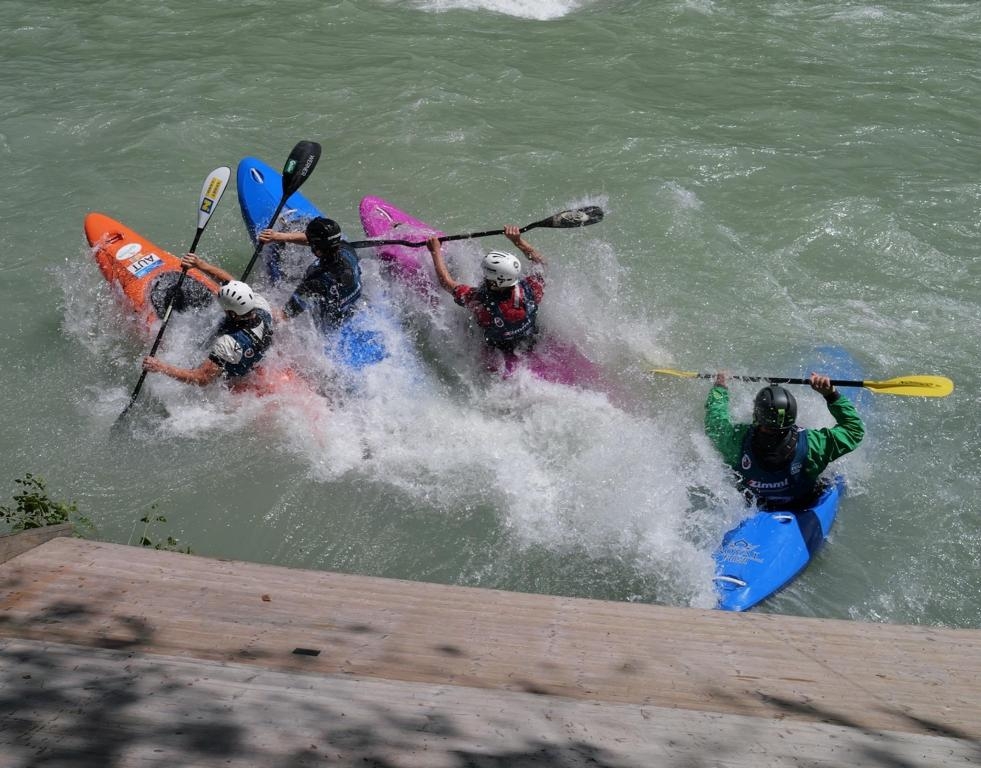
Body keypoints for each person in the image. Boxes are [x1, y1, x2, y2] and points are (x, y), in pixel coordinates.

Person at [704, 372, 865, 507]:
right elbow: (854, 430)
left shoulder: (736, 440)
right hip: (801, 503)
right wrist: (831, 395)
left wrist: (720, 388)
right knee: (827, 474)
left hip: (754, 504)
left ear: (756, 415)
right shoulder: (813, 443)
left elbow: (715, 421)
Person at [142, 253, 274, 387]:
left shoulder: (227, 343)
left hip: (231, 373)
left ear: (233, 314)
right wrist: (200, 264)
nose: (216, 294)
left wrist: (160, 367)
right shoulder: (261, 306)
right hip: (252, 353)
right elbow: (231, 283)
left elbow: (202, 379)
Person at [426, 226, 546, 353]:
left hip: (497, 348)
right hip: (530, 337)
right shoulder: (531, 288)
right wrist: (518, 241)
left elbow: (446, 283)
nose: (484, 276)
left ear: (495, 281)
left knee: (460, 320)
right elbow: (541, 264)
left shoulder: (480, 302)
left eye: (486, 275)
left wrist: (435, 251)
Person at [258, 217, 363, 330]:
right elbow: (323, 243)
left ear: (316, 249)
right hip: (353, 308)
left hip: (329, 329)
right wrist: (279, 237)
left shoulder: (315, 282)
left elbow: (283, 316)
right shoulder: (347, 250)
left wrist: (253, 304)